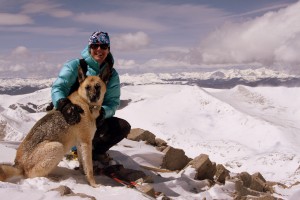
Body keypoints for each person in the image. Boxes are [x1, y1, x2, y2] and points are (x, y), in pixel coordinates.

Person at [50, 31, 131, 165]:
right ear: (89, 48)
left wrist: (103, 113)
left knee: (121, 127)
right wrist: (63, 105)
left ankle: (95, 152)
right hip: (70, 116)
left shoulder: (112, 75)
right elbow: (59, 88)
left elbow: (112, 102)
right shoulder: (75, 66)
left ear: (108, 50)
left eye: (103, 46)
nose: (99, 49)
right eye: (95, 46)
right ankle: (74, 148)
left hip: (93, 118)